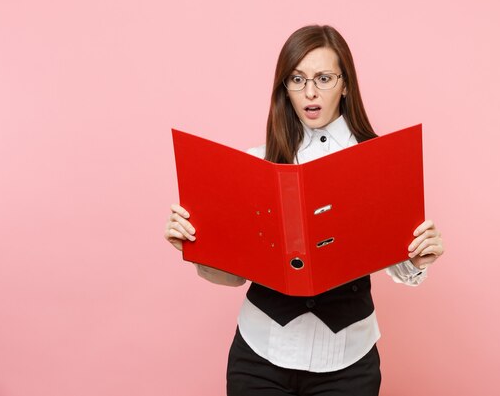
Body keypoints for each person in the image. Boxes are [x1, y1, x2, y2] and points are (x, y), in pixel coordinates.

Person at [164, 24, 445, 396]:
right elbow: (233, 277)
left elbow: (401, 267)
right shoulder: (258, 164)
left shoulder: (378, 160)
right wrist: (193, 245)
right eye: (296, 79)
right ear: (285, 88)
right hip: (259, 356)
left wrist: (420, 256)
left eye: (324, 78)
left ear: (346, 85)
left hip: (348, 362)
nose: (310, 92)